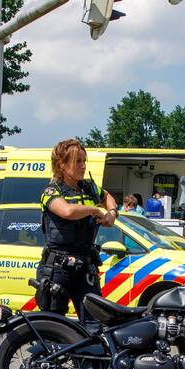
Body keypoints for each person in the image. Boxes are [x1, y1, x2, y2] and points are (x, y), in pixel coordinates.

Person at [36, 138, 117, 323]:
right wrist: (95, 210)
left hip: (85, 267)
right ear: (62, 165)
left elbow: (108, 197)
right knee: (53, 325)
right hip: (58, 269)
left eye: (84, 161)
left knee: (94, 325)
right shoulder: (51, 190)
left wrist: (112, 213)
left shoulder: (89, 187)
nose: (83, 166)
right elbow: (67, 211)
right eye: (77, 161)